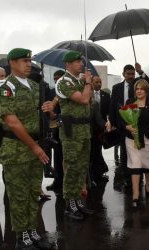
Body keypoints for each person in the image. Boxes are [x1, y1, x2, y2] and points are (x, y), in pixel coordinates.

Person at [0, 48, 53, 249]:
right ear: (12, 62)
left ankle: (32, 229)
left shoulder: (35, 86)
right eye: (24, 61)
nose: (29, 64)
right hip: (16, 151)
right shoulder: (6, 87)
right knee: (18, 195)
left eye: (29, 61)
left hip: (35, 147)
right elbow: (12, 122)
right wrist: (35, 147)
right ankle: (22, 235)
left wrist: (50, 111)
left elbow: (42, 118)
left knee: (32, 193)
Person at [54, 50, 94, 221]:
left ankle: (77, 201)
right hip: (72, 133)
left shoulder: (78, 80)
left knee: (81, 167)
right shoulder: (64, 82)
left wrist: (86, 83)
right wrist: (88, 83)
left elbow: (89, 101)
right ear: (68, 64)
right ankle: (69, 204)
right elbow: (84, 99)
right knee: (71, 169)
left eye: (81, 61)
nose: (81, 64)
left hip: (84, 130)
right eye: (77, 62)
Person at [109, 63, 149, 189]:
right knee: (125, 154)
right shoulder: (116, 87)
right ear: (123, 74)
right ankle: (127, 179)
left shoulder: (138, 84)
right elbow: (112, 106)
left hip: (138, 124)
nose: (131, 76)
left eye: (133, 74)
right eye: (128, 74)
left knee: (140, 152)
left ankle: (139, 179)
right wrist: (112, 122)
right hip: (123, 125)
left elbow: (147, 81)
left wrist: (140, 71)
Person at [124, 79, 149, 208]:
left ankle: (148, 186)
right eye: (137, 89)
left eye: (142, 89)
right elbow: (123, 119)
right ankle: (136, 195)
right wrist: (127, 126)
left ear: (146, 90)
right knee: (135, 164)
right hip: (132, 139)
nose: (139, 91)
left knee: (148, 164)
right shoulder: (129, 102)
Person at [46, 70, 65, 193]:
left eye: (58, 78)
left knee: (67, 157)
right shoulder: (52, 92)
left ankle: (68, 183)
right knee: (57, 156)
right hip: (56, 127)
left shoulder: (68, 91)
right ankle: (57, 180)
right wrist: (51, 114)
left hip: (68, 126)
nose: (56, 80)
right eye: (54, 78)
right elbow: (47, 107)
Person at [89, 75, 111, 185]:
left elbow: (108, 112)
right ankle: (91, 177)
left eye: (100, 82)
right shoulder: (86, 96)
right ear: (91, 83)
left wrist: (108, 124)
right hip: (88, 130)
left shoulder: (106, 96)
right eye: (96, 82)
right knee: (90, 155)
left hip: (100, 130)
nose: (99, 84)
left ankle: (98, 175)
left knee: (97, 153)